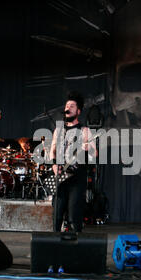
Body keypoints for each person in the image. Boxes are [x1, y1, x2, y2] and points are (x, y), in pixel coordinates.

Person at [49, 91, 97, 232]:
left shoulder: (84, 131)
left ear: (78, 111)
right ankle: (55, 248)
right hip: (61, 178)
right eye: (67, 105)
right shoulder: (59, 130)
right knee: (56, 217)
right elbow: (52, 150)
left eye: (72, 106)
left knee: (74, 218)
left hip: (77, 179)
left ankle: (76, 248)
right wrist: (54, 164)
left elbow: (95, 154)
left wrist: (88, 148)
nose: (68, 108)